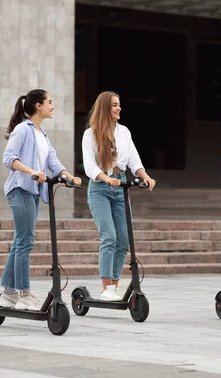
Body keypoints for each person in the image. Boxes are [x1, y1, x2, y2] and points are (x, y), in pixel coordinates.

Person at [0, 89, 82, 311]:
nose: (53, 106)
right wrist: (32, 171)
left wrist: (69, 176)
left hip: (33, 192)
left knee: (20, 240)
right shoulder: (22, 130)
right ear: (38, 106)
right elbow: (9, 159)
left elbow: (53, 161)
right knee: (26, 241)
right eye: (50, 102)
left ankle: (7, 294)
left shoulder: (41, 134)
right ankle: (24, 295)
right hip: (20, 189)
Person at [82, 91, 156, 301]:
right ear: (106, 108)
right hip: (99, 188)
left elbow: (134, 160)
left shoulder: (124, 132)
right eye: (115, 105)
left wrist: (146, 177)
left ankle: (113, 287)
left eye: (119, 104)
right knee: (109, 237)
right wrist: (106, 178)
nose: (119, 108)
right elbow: (89, 166)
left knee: (124, 240)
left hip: (120, 187)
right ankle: (106, 288)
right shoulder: (91, 134)